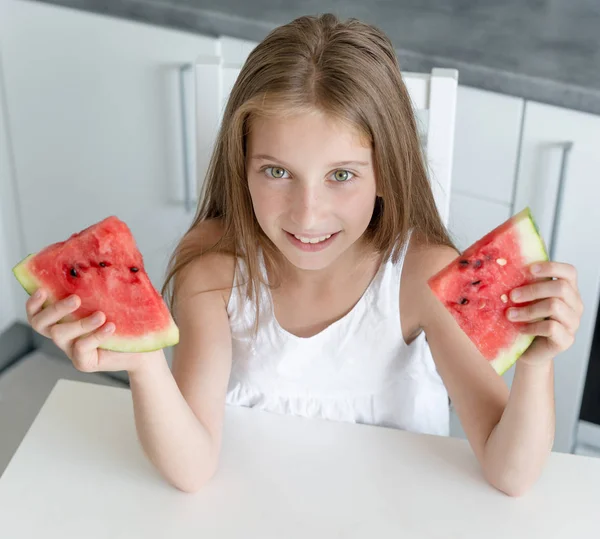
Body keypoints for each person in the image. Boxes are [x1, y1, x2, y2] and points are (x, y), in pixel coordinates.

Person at [25, 14, 583, 497]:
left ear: (387, 172)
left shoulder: (421, 275)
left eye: (341, 175)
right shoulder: (215, 267)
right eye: (276, 172)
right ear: (241, 167)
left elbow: (511, 473)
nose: (307, 214)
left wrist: (536, 362)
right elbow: (192, 470)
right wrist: (143, 363)